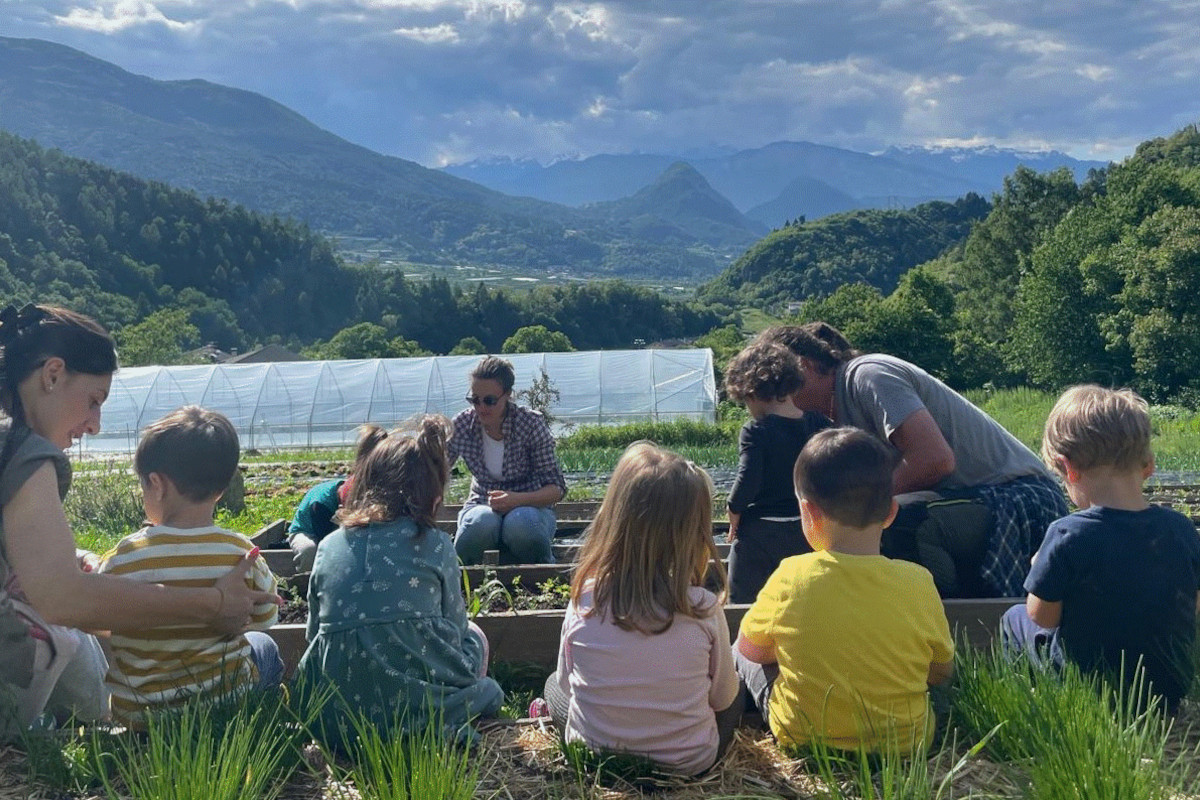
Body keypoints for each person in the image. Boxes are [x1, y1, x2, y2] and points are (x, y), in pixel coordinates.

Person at [0, 304, 273, 739]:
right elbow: (63, 599)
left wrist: (69, 560)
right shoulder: (22, 452)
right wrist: (215, 604)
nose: (94, 425)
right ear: (52, 374)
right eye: (93, 401)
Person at [762, 322, 1067, 598]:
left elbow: (935, 460)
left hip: (1019, 497)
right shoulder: (836, 410)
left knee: (902, 521)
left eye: (776, 386)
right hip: (969, 500)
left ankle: (946, 626)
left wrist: (858, 505)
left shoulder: (868, 375)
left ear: (803, 366)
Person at [735, 427, 954, 753]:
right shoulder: (918, 581)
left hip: (807, 739)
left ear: (808, 512)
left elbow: (753, 651)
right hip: (905, 743)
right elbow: (939, 672)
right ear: (891, 512)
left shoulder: (792, 575)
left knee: (738, 649)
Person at [298, 416, 503, 747]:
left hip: (336, 719)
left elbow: (313, 636)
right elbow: (454, 630)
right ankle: (435, 721)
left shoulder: (330, 545)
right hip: (422, 704)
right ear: (431, 492)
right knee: (476, 641)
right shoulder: (435, 544)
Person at [541, 442, 741, 776]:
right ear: (694, 532)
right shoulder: (703, 609)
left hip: (596, 759)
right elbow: (722, 699)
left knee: (550, 686)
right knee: (736, 693)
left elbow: (565, 685)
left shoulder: (585, 600)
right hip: (688, 764)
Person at [1001, 386, 1200, 714]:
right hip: (1167, 688)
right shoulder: (1180, 529)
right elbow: (1191, 606)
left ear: (1068, 468)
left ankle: (1034, 702)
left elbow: (1043, 618)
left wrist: (1041, 567)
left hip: (1090, 688)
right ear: (1148, 465)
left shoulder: (1067, 534)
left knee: (1014, 618)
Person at [98, 406, 281, 726]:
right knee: (264, 645)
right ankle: (264, 720)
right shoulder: (242, 554)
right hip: (223, 709)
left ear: (157, 484)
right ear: (222, 489)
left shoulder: (124, 556)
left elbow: (100, 618)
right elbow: (265, 617)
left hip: (141, 717)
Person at [724, 340, 831, 603]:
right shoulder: (819, 423)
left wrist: (734, 510)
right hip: (808, 529)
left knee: (745, 604)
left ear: (750, 393)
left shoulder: (756, 430)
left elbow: (749, 477)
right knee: (804, 601)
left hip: (760, 533)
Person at [448, 356, 567, 565]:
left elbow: (556, 489)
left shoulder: (530, 423)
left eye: (490, 401)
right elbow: (435, 470)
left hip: (531, 507)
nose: (481, 407)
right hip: (482, 502)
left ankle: (541, 574)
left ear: (508, 396)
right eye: (475, 399)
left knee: (522, 524)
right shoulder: (462, 425)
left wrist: (516, 499)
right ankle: (460, 582)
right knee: (480, 523)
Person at [287, 424, 388, 572]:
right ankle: (306, 587)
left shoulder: (367, 486)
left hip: (340, 523)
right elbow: (327, 544)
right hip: (310, 531)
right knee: (310, 553)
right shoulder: (320, 505)